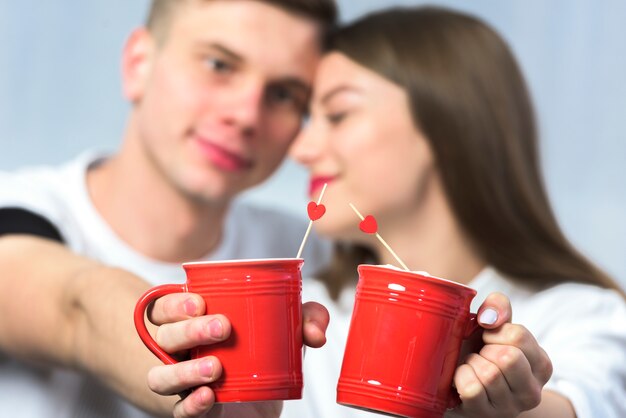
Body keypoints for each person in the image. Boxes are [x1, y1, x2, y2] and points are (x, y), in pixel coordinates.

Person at [148, 5, 626, 418]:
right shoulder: (303, 322)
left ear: (448, 127)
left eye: (338, 114)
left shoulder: (583, 316)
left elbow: (581, 403)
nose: (302, 147)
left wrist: (513, 407)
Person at [0, 1, 338, 417]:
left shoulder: (313, 255)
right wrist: (193, 371)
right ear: (138, 64)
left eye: (284, 94)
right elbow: (76, 309)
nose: (246, 115)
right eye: (219, 64)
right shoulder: (18, 211)